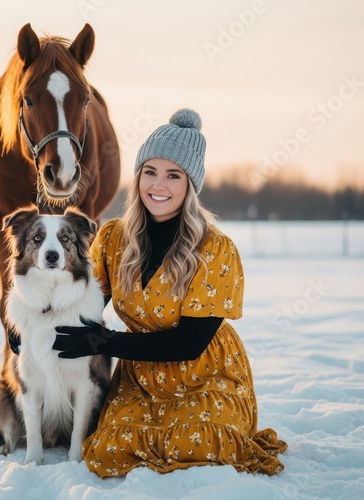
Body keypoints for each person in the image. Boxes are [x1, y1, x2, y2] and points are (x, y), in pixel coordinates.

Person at [53, 109, 287, 477]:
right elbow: (82, 304)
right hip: (141, 379)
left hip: (205, 374)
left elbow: (188, 344)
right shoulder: (114, 239)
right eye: (150, 172)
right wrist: (29, 327)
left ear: (190, 185)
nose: (158, 186)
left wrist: (103, 342)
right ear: (138, 177)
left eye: (173, 176)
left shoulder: (214, 250)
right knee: (111, 447)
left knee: (199, 440)